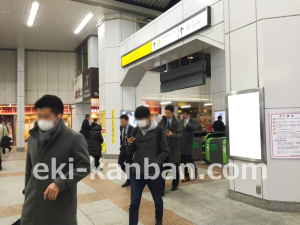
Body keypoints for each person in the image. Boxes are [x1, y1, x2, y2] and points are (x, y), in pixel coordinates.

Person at [21, 95, 90, 225]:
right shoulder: (32, 138)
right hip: (33, 204)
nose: (42, 120)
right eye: (39, 116)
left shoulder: (74, 138)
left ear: (59, 116)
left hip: (60, 204)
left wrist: (60, 182)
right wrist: (27, 192)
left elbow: (84, 166)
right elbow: (28, 171)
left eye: (46, 116)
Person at [127, 106, 169, 225]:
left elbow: (165, 150)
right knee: (134, 202)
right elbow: (130, 152)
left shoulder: (159, 130)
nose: (140, 122)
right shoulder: (135, 130)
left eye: (142, 119)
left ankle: (158, 221)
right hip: (137, 171)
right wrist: (129, 144)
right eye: (137, 120)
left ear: (148, 118)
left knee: (157, 200)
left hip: (153, 172)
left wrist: (156, 163)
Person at [159, 105, 182, 195]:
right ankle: (161, 189)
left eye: (168, 113)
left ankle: (175, 184)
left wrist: (172, 135)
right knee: (163, 168)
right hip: (164, 149)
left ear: (173, 112)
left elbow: (180, 135)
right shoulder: (162, 121)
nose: (166, 114)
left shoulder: (178, 123)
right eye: (165, 112)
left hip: (173, 149)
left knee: (174, 167)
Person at [180, 108, 198, 182]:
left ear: (187, 114)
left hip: (188, 143)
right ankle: (186, 176)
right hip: (181, 143)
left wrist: (187, 124)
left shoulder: (192, 121)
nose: (183, 115)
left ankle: (194, 169)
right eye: (182, 114)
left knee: (189, 159)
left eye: (184, 114)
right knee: (182, 161)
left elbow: (195, 127)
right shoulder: (181, 121)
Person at [119, 114, 134, 187]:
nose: (122, 123)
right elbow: (121, 136)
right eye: (121, 121)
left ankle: (129, 180)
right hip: (123, 148)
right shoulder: (121, 127)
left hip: (129, 149)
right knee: (120, 163)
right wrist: (120, 144)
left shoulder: (132, 128)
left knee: (128, 164)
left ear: (127, 121)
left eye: (123, 121)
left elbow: (133, 139)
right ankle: (131, 176)